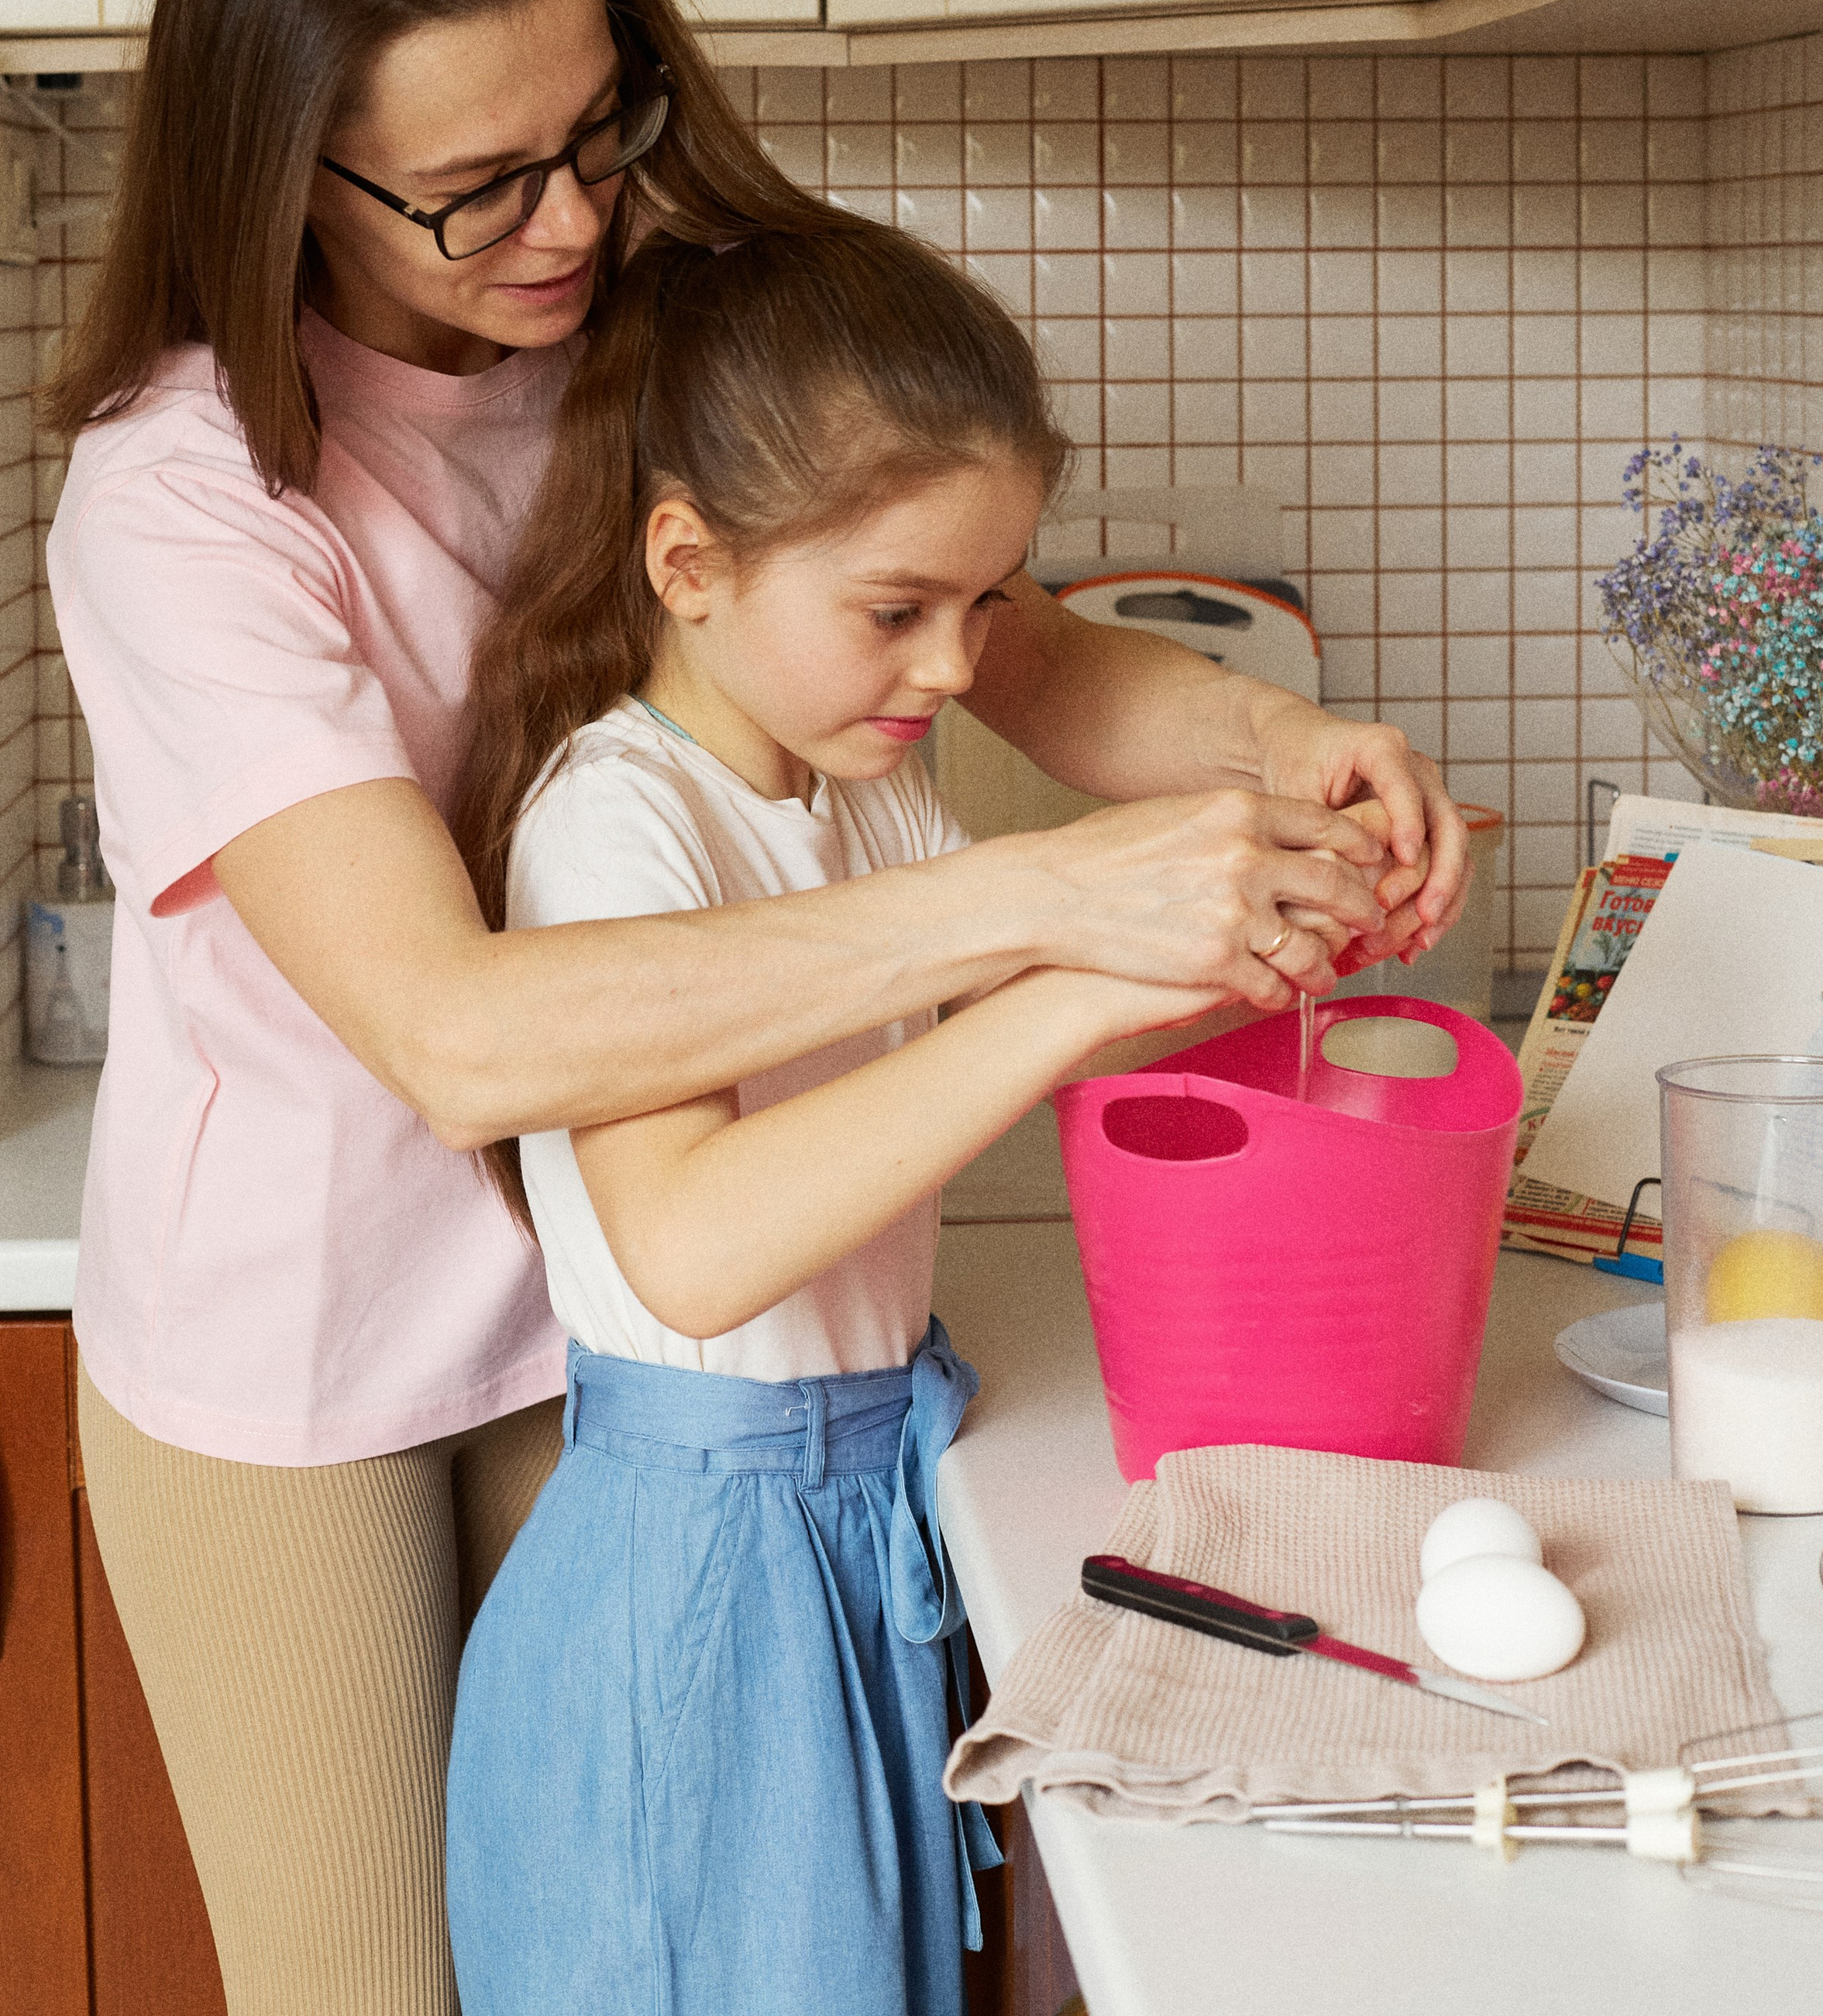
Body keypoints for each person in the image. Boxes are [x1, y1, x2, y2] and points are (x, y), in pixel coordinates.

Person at [43, 0, 1467, 2016]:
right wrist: (1045, 912)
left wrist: (1277, 751)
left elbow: (965, 617)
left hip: (616, 1310)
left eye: (597, 129)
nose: (571, 221)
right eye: (476, 185)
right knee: (369, 1987)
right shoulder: (188, 492)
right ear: (283, 177)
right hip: (295, 1329)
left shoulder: (642, 329)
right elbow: (459, 1029)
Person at [445, 217, 1265, 2014]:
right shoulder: (615, 823)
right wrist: (1069, 953)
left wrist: (1265, 926)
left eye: (984, 602)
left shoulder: (855, 799)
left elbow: (1026, 1033)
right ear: (689, 562)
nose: (961, 666)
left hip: (836, 1535)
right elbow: (696, 1240)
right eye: (894, 609)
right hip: (695, 1594)